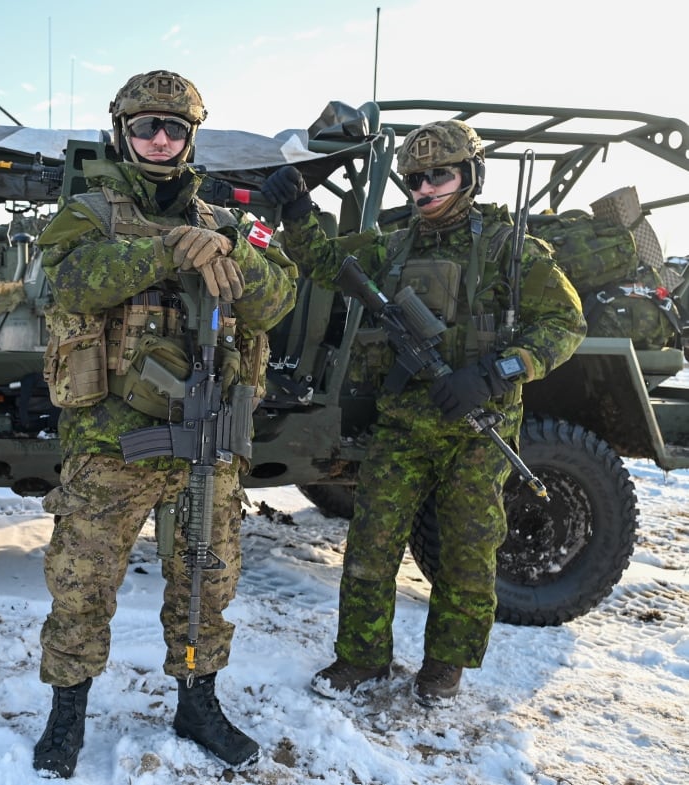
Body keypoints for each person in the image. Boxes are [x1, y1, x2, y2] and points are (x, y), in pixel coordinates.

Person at [31, 70, 298, 777]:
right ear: (123, 132)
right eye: (145, 126)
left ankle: (196, 696)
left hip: (205, 445)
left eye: (172, 128)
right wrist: (165, 249)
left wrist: (233, 252)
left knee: (205, 584)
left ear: (189, 138)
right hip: (112, 444)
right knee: (82, 583)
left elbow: (278, 297)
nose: (158, 138)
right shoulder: (87, 212)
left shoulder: (227, 223)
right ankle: (67, 710)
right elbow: (62, 281)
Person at [268, 119, 586, 706]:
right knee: (371, 545)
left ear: (470, 175)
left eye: (439, 174)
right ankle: (361, 657)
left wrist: (497, 373)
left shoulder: (510, 250)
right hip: (404, 424)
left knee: (468, 550)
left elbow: (566, 326)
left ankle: (445, 665)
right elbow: (321, 262)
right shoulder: (394, 244)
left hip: (477, 426)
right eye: (415, 178)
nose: (424, 188)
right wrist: (297, 211)